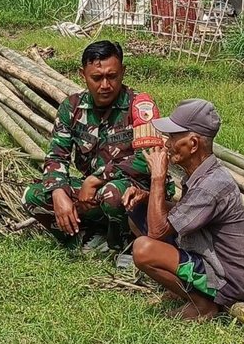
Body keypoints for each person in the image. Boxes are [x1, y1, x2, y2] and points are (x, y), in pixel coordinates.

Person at [24, 40, 164, 248]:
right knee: (33, 195)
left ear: (123, 72)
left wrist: (96, 179)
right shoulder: (72, 107)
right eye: (97, 78)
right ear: (82, 75)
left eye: (112, 76)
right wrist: (58, 192)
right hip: (93, 194)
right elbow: (56, 156)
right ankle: (85, 238)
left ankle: (124, 245)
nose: (105, 85)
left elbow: (148, 159)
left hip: (135, 192)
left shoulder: (140, 106)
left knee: (112, 193)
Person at [123, 98, 244, 321]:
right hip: (205, 256)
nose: (167, 143)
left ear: (193, 144)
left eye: (173, 137)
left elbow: (157, 232)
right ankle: (182, 289)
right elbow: (183, 214)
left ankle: (203, 304)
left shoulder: (212, 185)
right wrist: (146, 197)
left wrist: (157, 177)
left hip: (226, 280)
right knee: (138, 212)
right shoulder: (200, 174)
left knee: (144, 249)